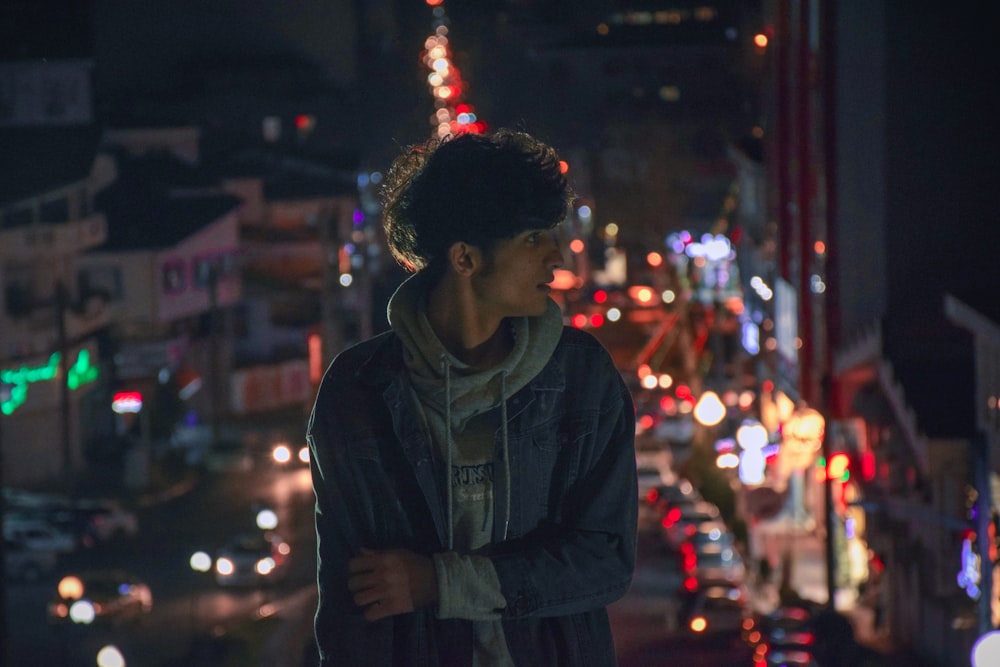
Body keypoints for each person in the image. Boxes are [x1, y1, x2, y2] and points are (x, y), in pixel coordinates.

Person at [307, 128, 638, 666]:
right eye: (533, 238)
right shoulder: (358, 389)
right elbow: (350, 602)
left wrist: (438, 582)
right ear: (465, 259)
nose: (555, 258)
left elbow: (606, 558)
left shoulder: (580, 377)